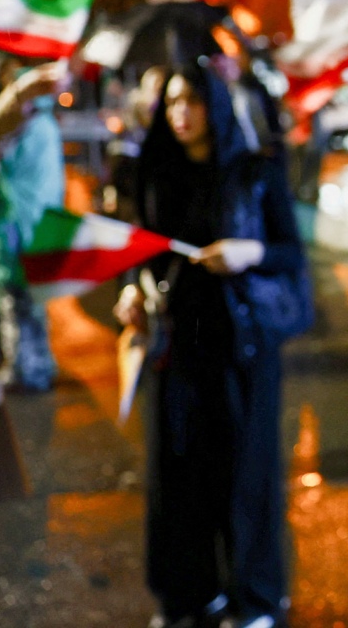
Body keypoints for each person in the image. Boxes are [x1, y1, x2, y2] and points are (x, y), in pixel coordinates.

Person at [116, 61, 310, 628]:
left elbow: (290, 252)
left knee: (248, 474)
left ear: (216, 107)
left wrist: (249, 253)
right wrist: (132, 292)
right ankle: (191, 594)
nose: (182, 114)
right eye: (173, 102)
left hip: (243, 347)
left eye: (193, 102)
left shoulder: (255, 171)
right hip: (177, 347)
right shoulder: (157, 173)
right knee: (179, 475)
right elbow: (142, 254)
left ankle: (256, 597)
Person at [0, 58, 67, 392]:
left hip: (17, 225)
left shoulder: (21, 126)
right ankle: (40, 365)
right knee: (34, 302)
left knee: (17, 301)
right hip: (41, 224)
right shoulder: (47, 123)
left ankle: (27, 370)